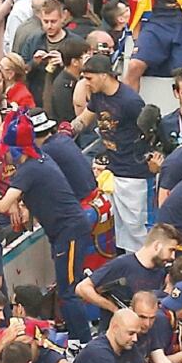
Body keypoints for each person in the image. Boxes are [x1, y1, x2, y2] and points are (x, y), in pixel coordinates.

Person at [0, 110, 92, 342]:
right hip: (64, 230)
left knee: (69, 291)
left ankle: (82, 340)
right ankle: (76, 335)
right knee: (67, 288)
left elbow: (2, 205)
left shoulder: (30, 168)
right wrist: (16, 203)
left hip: (69, 230)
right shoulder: (38, 158)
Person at [72, 54, 152, 253]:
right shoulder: (98, 96)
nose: (86, 83)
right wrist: (65, 130)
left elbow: (149, 133)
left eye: (89, 78)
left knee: (136, 229)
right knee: (120, 229)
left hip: (133, 172)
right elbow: (85, 119)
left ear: (104, 76)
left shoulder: (130, 101)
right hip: (112, 169)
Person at [76, 223, 181, 330]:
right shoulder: (122, 264)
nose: (172, 256)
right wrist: (114, 309)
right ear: (157, 246)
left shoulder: (161, 271)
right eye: (171, 250)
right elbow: (82, 288)